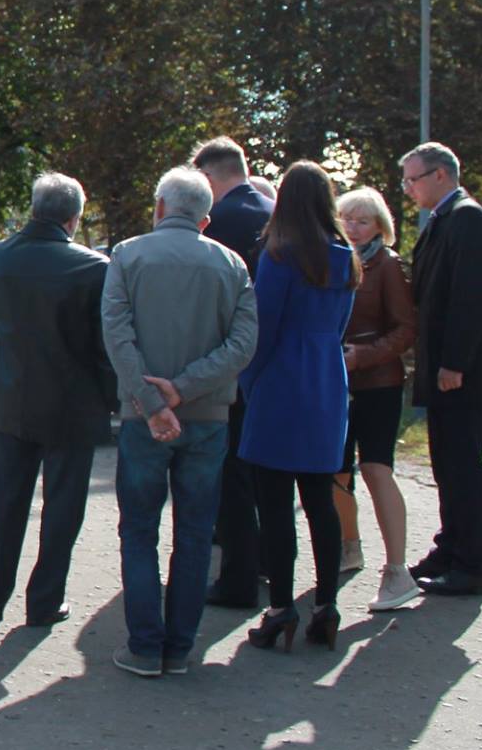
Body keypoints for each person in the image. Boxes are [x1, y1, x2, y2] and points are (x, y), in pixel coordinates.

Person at [100, 166, 257, 677]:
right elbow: (242, 344)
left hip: (144, 418)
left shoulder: (127, 255)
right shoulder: (232, 265)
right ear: (206, 219)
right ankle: (180, 647)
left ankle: (144, 644)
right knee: (194, 532)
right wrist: (186, 388)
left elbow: (116, 334)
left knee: (139, 530)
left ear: (160, 207)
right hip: (208, 417)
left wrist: (152, 401)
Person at [0, 173, 115, 629]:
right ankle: (45, 601)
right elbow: (103, 345)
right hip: (75, 404)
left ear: (34, 209)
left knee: (6, 502)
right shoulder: (94, 268)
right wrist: (112, 398)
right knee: (63, 506)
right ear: (74, 217)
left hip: (13, 397)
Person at [235, 162, 359, 651]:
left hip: (282, 377)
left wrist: (249, 379)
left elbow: (264, 326)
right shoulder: (345, 257)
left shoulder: (280, 255)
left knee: (275, 503)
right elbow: (342, 323)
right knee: (320, 501)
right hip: (327, 379)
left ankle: (281, 606)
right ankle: (326, 603)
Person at [399, 142, 482, 596]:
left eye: (414, 179)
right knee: (446, 463)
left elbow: (471, 299)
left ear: (441, 176)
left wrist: (453, 363)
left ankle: (471, 563)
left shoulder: (468, 219)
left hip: (461, 371)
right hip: (443, 367)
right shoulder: (444, 219)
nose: (409, 188)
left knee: (462, 465)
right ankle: (450, 546)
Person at [191, 137, 274, 611]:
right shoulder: (273, 209)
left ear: (209, 177)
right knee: (265, 472)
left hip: (231, 362)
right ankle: (264, 561)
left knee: (233, 475)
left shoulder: (220, 222)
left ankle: (238, 577)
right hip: (273, 362)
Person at [338, 186, 421, 612]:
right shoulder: (333, 259)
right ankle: (347, 547)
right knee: (333, 469)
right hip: (337, 381)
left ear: (379, 226)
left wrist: (362, 357)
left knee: (375, 468)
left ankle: (397, 569)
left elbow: (406, 330)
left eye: (362, 220)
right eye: (346, 219)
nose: (352, 227)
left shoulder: (387, 265)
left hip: (379, 383)